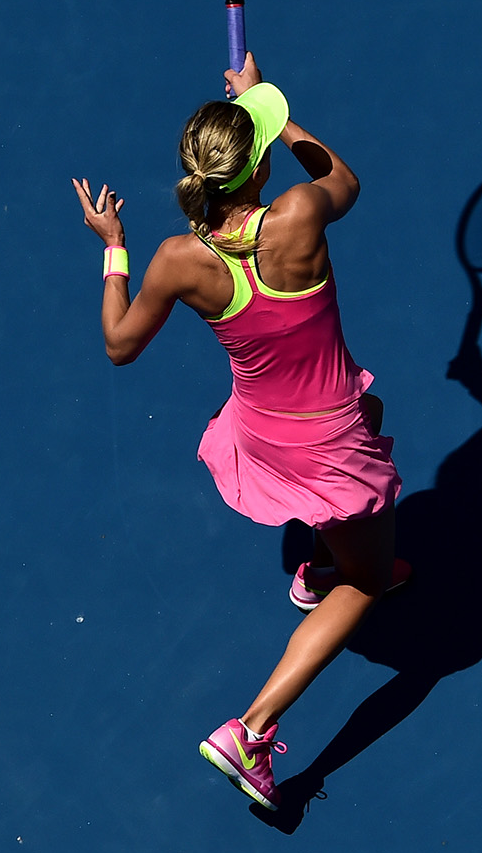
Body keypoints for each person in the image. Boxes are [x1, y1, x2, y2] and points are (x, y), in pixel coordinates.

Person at [70, 55, 408, 811]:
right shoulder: (299, 214)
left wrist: (113, 245)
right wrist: (269, 107)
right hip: (326, 438)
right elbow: (344, 180)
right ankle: (250, 731)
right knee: (371, 580)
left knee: (375, 415)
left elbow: (119, 345)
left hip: (262, 434)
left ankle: (319, 566)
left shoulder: (177, 260)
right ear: (256, 169)